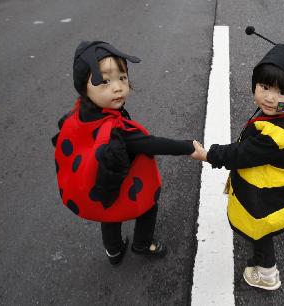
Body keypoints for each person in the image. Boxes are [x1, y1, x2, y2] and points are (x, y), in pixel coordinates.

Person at [53, 41, 195, 265]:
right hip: (120, 182)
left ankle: (114, 250)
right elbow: (151, 144)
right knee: (148, 205)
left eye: (122, 77)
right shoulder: (118, 132)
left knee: (108, 217)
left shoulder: (81, 114)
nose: (117, 87)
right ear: (84, 88)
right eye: (105, 81)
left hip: (99, 184)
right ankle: (142, 243)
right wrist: (189, 147)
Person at [191, 43, 284, 290]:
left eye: (282, 93)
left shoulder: (274, 136)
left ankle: (267, 273)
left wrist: (208, 154)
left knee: (260, 232)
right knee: (267, 227)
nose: (270, 98)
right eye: (264, 87)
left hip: (267, 197)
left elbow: (242, 153)